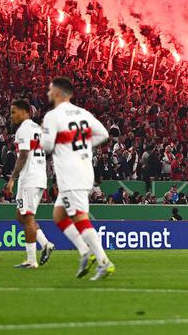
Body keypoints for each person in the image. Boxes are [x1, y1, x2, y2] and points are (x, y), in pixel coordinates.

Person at [40, 77, 115, 281]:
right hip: (83, 170)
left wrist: (46, 136)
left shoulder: (52, 116)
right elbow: (104, 134)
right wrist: (82, 145)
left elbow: (46, 146)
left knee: (80, 218)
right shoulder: (84, 113)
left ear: (57, 93)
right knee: (59, 215)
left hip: (70, 174)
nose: (48, 93)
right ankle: (84, 251)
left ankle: (104, 262)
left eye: (50, 89)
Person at [6, 99, 54, 269]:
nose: (11, 116)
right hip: (37, 176)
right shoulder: (37, 129)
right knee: (21, 215)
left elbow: (24, 155)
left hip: (29, 178)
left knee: (27, 217)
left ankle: (31, 260)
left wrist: (12, 179)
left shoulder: (24, 129)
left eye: (14, 112)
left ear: (25, 112)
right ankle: (46, 244)